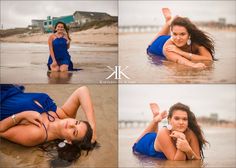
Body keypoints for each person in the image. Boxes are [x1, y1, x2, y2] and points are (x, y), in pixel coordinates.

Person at [0, 84, 97, 162]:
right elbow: (82, 90)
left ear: (68, 141)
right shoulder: (64, 114)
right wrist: (92, 127)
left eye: (74, 132)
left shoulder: (37, 133)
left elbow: (1, 130)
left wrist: (23, 115)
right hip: (9, 89)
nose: (71, 124)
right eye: (77, 122)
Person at [133, 102, 208, 160]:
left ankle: (156, 118)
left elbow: (198, 160)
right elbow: (177, 163)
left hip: (159, 140)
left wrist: (188, 150)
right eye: (177, 118)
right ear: (169, 119)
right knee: (135, 145)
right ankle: (155, 120)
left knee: (155, 135)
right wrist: (181, 138)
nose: (181, 122)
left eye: (184, 119)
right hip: (146, 145)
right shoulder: (163, 132)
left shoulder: (190, 133)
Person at [147, 8, 215, 68]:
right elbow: (178, 59)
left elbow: (208, 59)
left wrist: (181, 52)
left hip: (171, 38)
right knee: (151, 45)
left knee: (172, 36)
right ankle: (168, 23)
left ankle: (169, 22)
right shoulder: (168, 47)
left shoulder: (197, 42)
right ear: (172, 33)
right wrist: (193, 65)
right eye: (175, 34)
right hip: (157, 45)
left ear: (189, 34)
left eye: (182, 34)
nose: (178, 38)